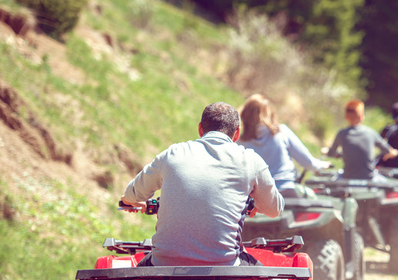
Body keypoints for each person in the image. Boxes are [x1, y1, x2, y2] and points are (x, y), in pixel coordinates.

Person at [121, 102, 284, 267]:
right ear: (237, 134)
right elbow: (274, 209)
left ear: (200, 129)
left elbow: (131, 195)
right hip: (225, 265)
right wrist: (257, 202)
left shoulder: (172, 154)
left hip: (163, 265)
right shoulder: (250, 160)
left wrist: (129, 200)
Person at [238, 93, 330, 198]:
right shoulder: (281, 132)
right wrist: (319, 165)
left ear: (245, 115)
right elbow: (305, 160)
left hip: (256, 198)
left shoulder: (241, 142)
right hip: (284, 191)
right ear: (269, 112)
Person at [326, 99, 398, 180]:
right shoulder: (371, 133)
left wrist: (328, 152)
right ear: (361, 116)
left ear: (346, 117)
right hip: (369, 178)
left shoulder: (341, 134)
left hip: (347, 177)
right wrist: (394, 152)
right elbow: (388, 150)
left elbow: (331, 153)